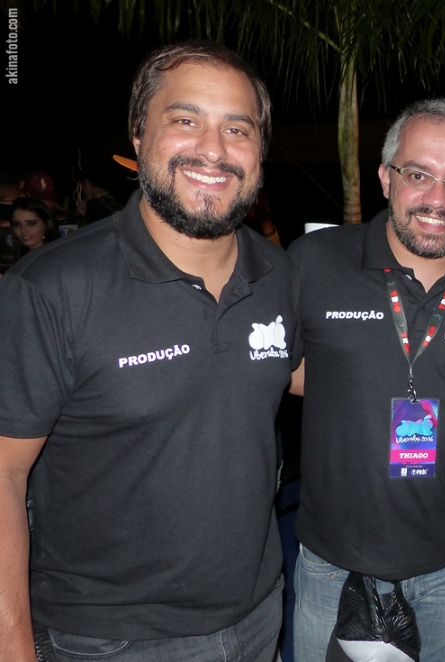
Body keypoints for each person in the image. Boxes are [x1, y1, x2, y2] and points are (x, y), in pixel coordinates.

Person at [0, 41, 298, 662]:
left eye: (237, 128)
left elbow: (305, 374)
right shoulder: (52, 287)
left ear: (260, 151)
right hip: (107, 640)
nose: (213, 149)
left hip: (260, 616)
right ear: (139, 135)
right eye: (186, 120)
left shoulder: (280, 275)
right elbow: (4, 474)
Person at [288, 98, 445, 662]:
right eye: (418, 175)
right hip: (333, 565)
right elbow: (278, 370)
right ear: (385, 178)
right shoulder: (314, 262)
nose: (437, 200)